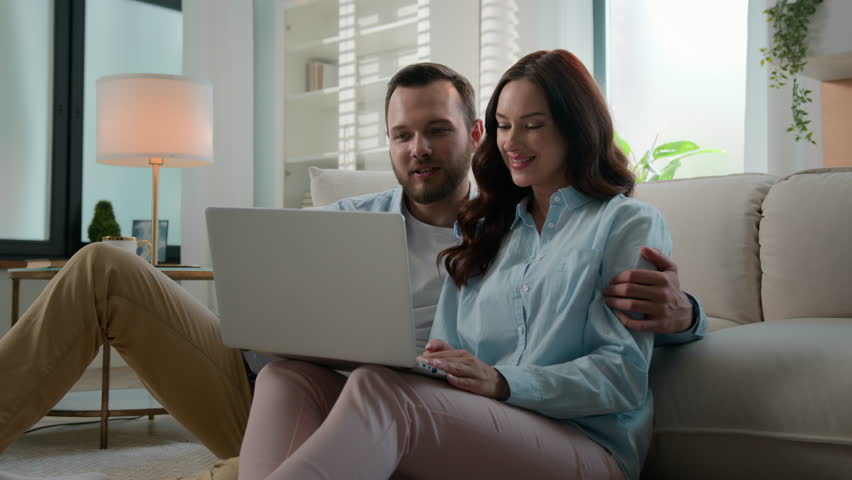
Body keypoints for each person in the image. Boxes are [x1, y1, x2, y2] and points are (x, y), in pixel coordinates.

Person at [0, 61, 705, 478]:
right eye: (401, 135)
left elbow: (610, 355)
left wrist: (685, 316)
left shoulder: (507, 226)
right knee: (131, 283)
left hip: (445, 414)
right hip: (313, 393)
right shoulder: (490, 232)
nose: (418, 149)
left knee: (374, 386)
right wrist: (278, 329)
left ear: (472, 136)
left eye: (438, 130)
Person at [235, 49, 680, 480]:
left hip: (586, 444)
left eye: (533, 125)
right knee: (286, 378)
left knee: (380, 391)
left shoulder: (625, 222)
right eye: (505, 126)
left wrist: (503, 381)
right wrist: (431, 365)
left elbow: (621, 375)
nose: (512, 143)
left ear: (576, 129)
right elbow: (447, 351)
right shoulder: (490, 229)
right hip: (480, 424)